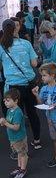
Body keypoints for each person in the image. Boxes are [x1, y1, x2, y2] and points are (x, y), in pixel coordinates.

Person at [0, 18, 41, 149]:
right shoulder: (26, 43)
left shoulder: (1, 47)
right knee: (32, 113)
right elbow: (34, 64)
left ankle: (17, 147)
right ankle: (37, 140)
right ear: (16, 28)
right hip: (29, 84)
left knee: (14, 116)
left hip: (12, 88)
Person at [0, 88, 28, 178]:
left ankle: (23, 170)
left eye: (8, 100)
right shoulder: (9, 110)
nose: (5, 102)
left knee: (22, 154)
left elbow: (16, 127)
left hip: (19, 137)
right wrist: (4, 121)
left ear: (16, 101)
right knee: (19, 153)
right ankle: (19, 168)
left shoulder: (17, 112)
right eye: (4, 100)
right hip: (13, 138)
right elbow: (8, 121)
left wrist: (5, 123)